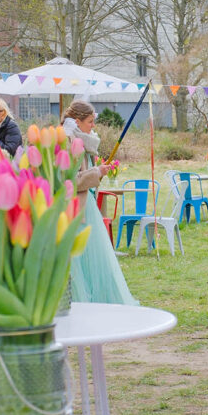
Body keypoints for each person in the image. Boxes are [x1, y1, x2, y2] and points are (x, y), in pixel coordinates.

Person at [60, 100, 138, 305]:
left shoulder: (83, 140)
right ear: (77, 121)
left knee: (93, 258)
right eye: (90, 122)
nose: (93, 126)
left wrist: (97, 172)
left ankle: (95, 299)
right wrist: (96, 172)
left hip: (87, 206)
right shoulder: (66, 141)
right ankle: (78, 301)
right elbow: (68, 180)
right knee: (77, 258)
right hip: (72, 209)